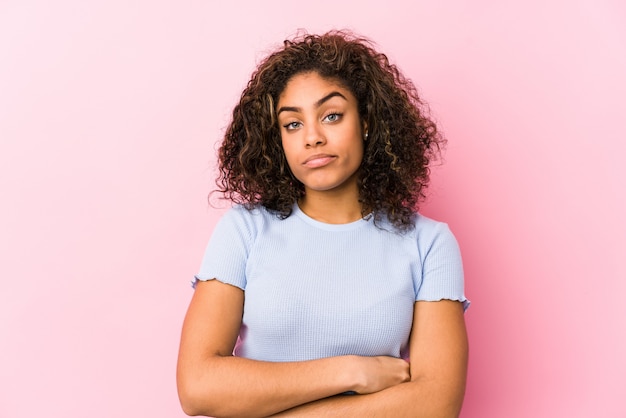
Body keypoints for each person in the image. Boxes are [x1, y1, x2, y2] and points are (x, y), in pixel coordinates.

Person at [176, 30, 469, 417]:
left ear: (365, 121)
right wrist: (350, 372)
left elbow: (436, 403)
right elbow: (197, 387)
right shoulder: (243, 231)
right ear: (276, 138)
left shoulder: (429, 243)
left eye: (331, 115)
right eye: (292, 124)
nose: (312, 137)